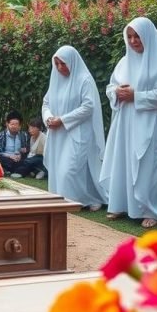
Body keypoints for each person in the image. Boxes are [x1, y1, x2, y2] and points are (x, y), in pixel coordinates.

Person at [99, 17, 157, 228]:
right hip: (124, 123)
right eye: (130, 36)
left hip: (151, 122)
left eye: (137, 36)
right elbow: (109, 87)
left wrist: (136, 96)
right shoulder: (124, 62)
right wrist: (116, 91)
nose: (133, 41)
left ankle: (152, 209)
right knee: (123, 161)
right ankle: (121, 204)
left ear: (147, 36)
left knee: (148, 166)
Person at [42, 46, 108, 211]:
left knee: (69, 170)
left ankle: (83, 199)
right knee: (64, 170)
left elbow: (88, 107)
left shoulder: (84, 79)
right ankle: (85, 198)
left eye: (63, 63)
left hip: (77, 132)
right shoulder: (56, 79)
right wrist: (48, 117)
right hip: (58, 134)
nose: (59, 68)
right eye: (56, 64)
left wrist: (63, 120)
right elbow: (46, 103)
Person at [0, 110, 30, 177]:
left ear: (20, 125)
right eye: (12, 124)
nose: (14, 126)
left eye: (16, 124)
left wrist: (21, 154)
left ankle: (8, 171)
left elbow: (27, 150)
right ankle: (19, 171)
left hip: (19, 159)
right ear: (7, 124)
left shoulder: (24, 135)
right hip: (7, 158)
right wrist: (10, 156)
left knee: (28, 161)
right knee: (0, 160)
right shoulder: (2, 135)